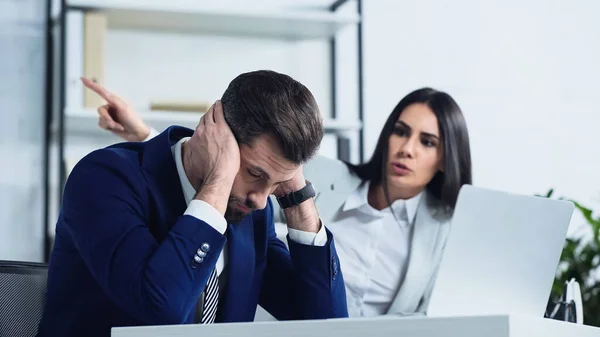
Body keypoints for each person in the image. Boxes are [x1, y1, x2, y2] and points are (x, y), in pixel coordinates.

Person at [94, 85, 473, 318]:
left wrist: (298, 200)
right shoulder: (324, 174)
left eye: (427, 141)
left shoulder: (447, 230)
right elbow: (202, 162)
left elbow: (326, 324)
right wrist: (147, 136)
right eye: (400, 132)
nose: (406, 149)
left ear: (446, 158)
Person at [36, 70, 348, 337]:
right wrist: (218, 181)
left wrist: (298, 200)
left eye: (276, 184)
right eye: (254, 173)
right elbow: (161, 311)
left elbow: (326, 324)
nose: (261, 200)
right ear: (214, 134)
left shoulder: (251, 210)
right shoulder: (105, 178)